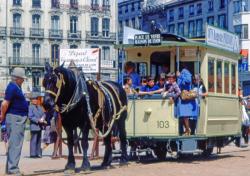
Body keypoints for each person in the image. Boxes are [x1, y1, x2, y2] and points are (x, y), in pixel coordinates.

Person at [0, 67, 28, 175]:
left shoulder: (16, 87)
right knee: (16, 144)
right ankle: (13, 169)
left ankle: (10, 169)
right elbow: (4, 104)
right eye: (22, 78)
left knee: (14, 144)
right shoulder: (12, 87)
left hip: (16, 118)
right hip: (15, 118)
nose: (23, 80)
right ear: (17, 78)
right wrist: (2, 115)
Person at [176, 66, 197, 136]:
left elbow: (188, 81)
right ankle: (187, 129)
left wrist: (180, 76)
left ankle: (188, 129)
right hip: (182, 97)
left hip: (186, 97)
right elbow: (179, 85)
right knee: (183, 115)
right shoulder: (183, 73)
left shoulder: (185, 73)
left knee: (185, 115)